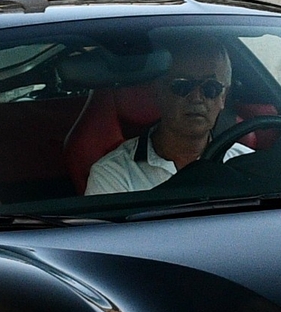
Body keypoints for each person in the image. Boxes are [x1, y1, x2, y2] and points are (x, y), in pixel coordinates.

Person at [86, 36, 253, 194]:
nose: (196, 98)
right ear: (157, 92)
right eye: (182, 86)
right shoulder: (114, 173)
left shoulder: (246, 163)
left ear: (223, 97)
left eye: (211, 88)